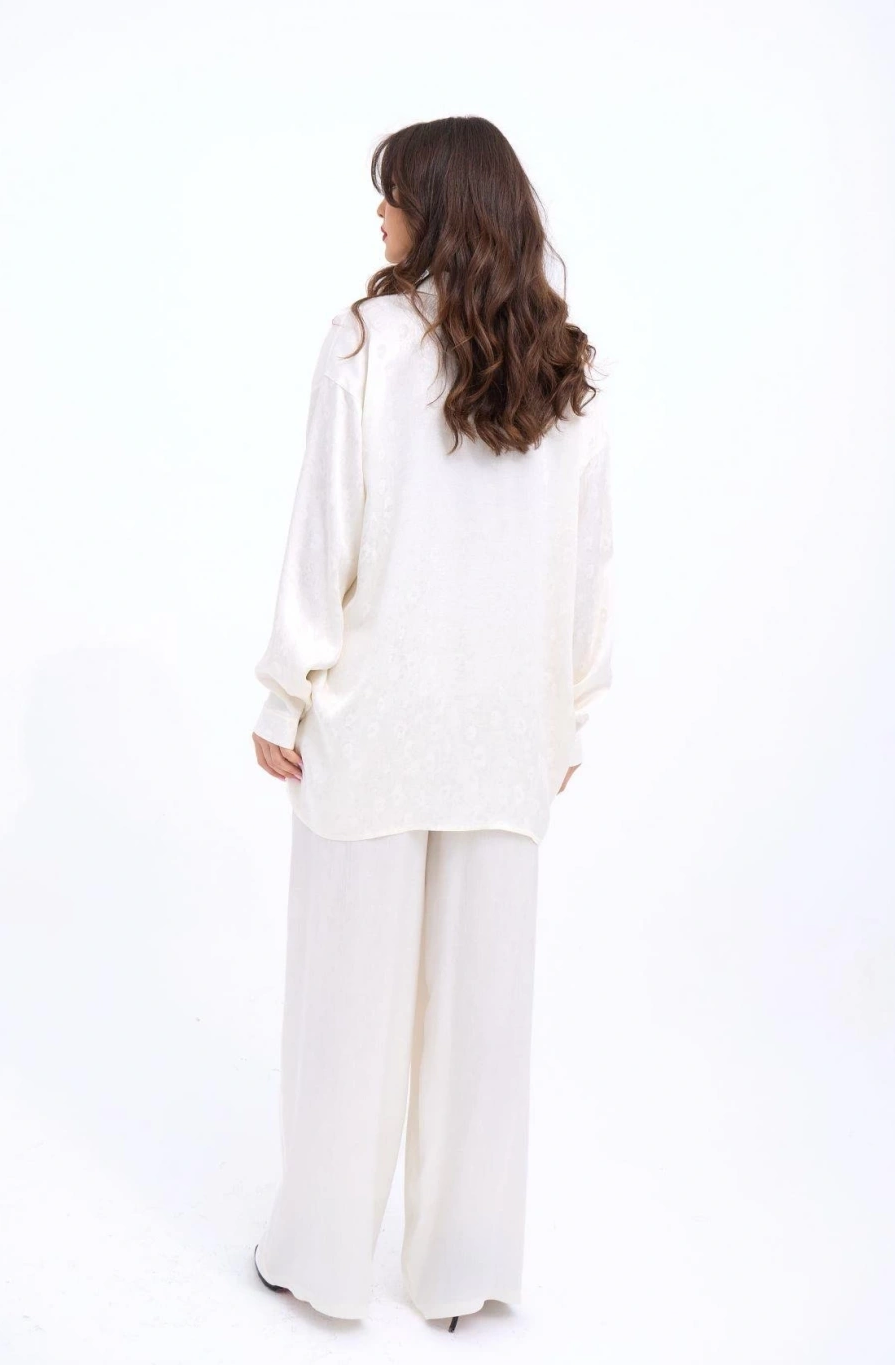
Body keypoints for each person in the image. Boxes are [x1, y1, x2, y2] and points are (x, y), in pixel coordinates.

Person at [249, 115, 614, 1332]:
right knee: (481, 1020)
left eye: (394, 193)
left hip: (377, 724)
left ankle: (319, 1262)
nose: (381, 214)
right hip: (504, 735)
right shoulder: (562, 365)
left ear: (440, 208)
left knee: (346, 1010)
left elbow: (325, 537)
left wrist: (284, 690)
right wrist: (565, 716)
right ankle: (464, 1274)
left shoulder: (365, 343)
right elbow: (588, 565)